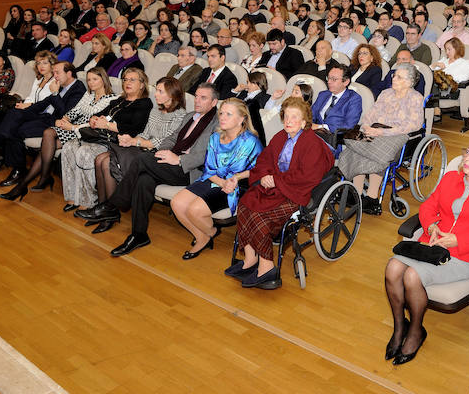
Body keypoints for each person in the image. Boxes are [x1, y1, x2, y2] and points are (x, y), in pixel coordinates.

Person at [384, 137, 469, 365]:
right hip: (432, 244)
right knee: (392, 268)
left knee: (411, 275)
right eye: (467, 152)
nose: (468, 158)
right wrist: (431, 226)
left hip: (464, 255)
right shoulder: (452, 177)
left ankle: (415, 332)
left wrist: (458, 239)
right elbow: (429, 205)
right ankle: (399, 327)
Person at [227, 97, 335, 288]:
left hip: (295, 191)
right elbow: (264, 161)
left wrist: (276, 179)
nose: (289, 120)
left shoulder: (312, 143)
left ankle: (267, 267)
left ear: (304, 122)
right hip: (274, 187)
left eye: (294, 117)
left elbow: (308, 176)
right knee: (245, 204)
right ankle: (250, 260)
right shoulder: (280, 137)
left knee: (260, 217)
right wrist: (265, 176)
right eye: (286, 116)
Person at [75, 77, 188, 230]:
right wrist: (131, 140)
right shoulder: (156, 109)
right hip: (141, 147)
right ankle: (103, 209)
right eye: (157, 90)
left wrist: (136, 142)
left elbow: (165, 141)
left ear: (172, 94)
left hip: (155, 154)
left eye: (160, 91)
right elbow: (145, 133)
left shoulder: (180, 115)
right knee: (100, 159)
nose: (156, 94)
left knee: (107, 162)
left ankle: (109, 212)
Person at [170, 98, 262, 259]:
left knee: (194, 211)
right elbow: (209, 168)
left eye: (228, 114)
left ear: (242, 118)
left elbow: (259, 170)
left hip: (239, 186)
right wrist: (221, 182)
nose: (222, 117)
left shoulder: (250, 141)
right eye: (221, 113)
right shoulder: (215, 138)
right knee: (176, 203)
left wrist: (234, 179)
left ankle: (205, 234)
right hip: (214, 179)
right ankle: (206, 234)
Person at [59, 67, 153, 209]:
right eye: (125, 79)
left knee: (85, 152)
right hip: (99, 136)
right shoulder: (119, 100)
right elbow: (101, 113)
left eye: (132, 80)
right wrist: (95, 119)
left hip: (114, 142)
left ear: (141, 84)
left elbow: (134, 129)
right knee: (68, 147)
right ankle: (73, 195)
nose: (127, 82)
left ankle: (88, 200)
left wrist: (108, 125)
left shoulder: (144, 103)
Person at [338, 62, 423, 215]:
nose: (394, 78)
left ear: (410, 82)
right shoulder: (385, 93)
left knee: (376, 153)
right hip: (375, 129)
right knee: (356, 149)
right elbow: (371, 113)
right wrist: (366, 127)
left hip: (396, 134)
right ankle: (357, 193)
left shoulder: (415, 98)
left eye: (399, 77)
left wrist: (383, 133)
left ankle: (372, 197)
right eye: (394, 75)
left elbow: (414, 125)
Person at [0, 60, 85, 185]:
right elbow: (45, 103)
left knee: (16, 130)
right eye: (54, 72)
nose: (55, 76)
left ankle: (17, 168)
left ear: (69, 73)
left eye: (57, 72)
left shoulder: (78, 89)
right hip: (46, 117)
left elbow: (66, 115)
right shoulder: (61, 84)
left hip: (57, 124)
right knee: (14, 112)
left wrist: (55, 93)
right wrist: (26, 108)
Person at [310, 65, 362, 151]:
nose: (329, 82)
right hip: (313, 135)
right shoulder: (323, 94)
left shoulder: (354, 98)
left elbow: (349, 125)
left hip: (333, 139)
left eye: (334, 79)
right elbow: (311, 114)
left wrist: (321, 127)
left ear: (345, 82)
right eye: (328, 78)